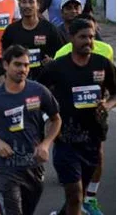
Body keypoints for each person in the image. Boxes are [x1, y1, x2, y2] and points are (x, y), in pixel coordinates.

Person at [38, 18, 115, 215]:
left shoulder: (103, 63)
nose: (88, 41)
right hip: (66, 138)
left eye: (91, 37)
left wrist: (107, 104)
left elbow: (115, 93)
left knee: (77, 196)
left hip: (93, 136)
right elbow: (38, 92)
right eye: (82, 37)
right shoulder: (57, 67)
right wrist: (49, 117)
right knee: (75, 193)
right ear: (71, 38)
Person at [0, 45, 62, 215]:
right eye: (17, 64)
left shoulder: (38, 91)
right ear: (6, 65)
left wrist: (46, 144)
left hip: (33, 166)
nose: (23, 69)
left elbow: (56, 119)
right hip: (6, 167)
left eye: (26, 65)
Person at [1, 0, 63, 81]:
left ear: (38, 5)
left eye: (31, 2)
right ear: (19, 5)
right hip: (19, 79)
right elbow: (5, 54)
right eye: (24, 2)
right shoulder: (11, 30)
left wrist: (52, 61)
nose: (27, 5)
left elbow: (61, 53)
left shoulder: (50, 29)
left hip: (45, 79)